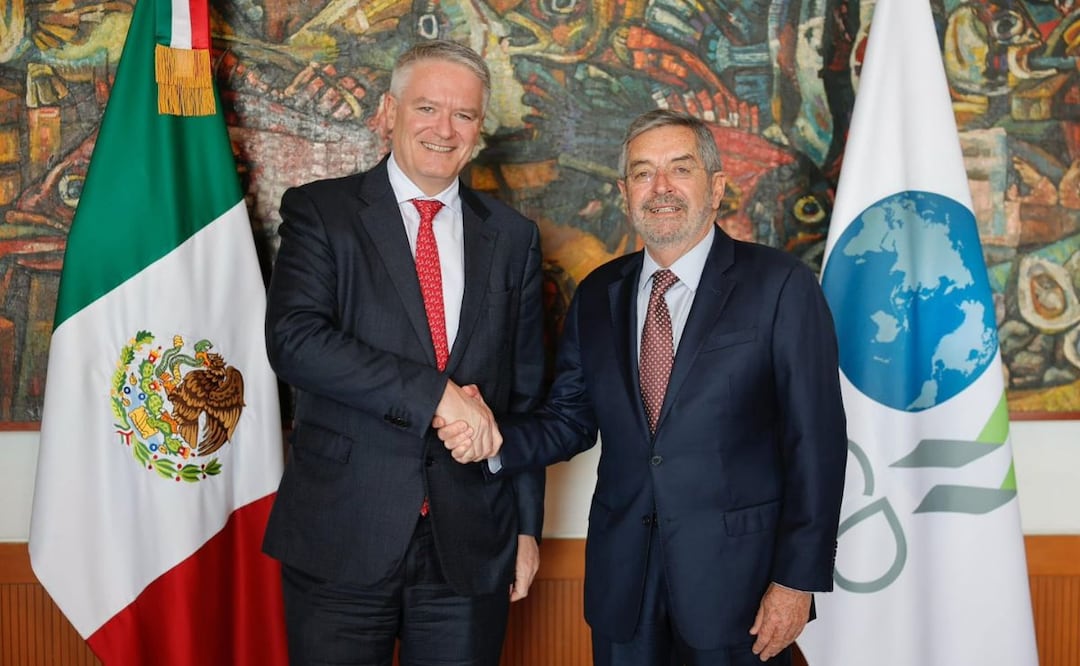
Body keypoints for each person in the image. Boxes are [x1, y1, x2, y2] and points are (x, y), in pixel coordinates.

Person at [439, 109, 847, 665]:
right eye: (642, 172)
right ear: (623, 190)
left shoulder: (780, 286)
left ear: (716, 185)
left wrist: (797, 581)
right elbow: (570, 420)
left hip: (739, 587)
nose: (661, 188)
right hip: (623, 584)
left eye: (680, 169)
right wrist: (490, 439)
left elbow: (816, 444)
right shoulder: (599, 293)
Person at [262, 39, 546, 666]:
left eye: (464, 115)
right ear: (388, 113)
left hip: (470, 548)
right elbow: (295, 342)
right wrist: (435, 395)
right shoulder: (321, 212)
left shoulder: (513, 237)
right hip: (342, 536)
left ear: (479, 128)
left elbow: (523, 397)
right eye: (427, 108)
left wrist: (526, 528)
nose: (444, 129)